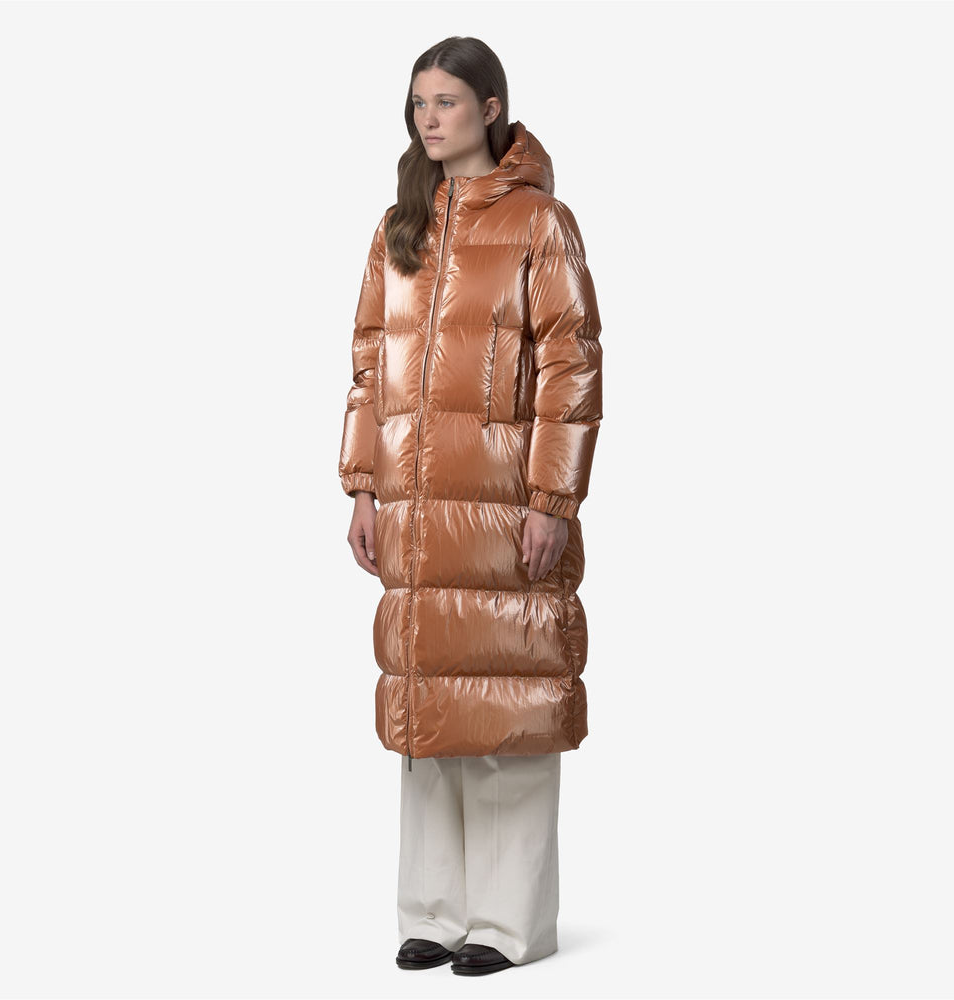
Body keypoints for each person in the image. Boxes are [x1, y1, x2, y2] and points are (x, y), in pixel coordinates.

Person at [338, 36, 603, 975]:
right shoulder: (398, 227)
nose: (429, 118)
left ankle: (508, 923)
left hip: (501, 501)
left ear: (491, 108)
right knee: (430, 708)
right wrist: (362, 484)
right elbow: (368, 364)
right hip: (412, 504)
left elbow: (571, 364)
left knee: (504, 705)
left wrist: (551, 498)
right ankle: (435, 912)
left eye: (446, 101)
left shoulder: (540, 223)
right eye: (419, 102)